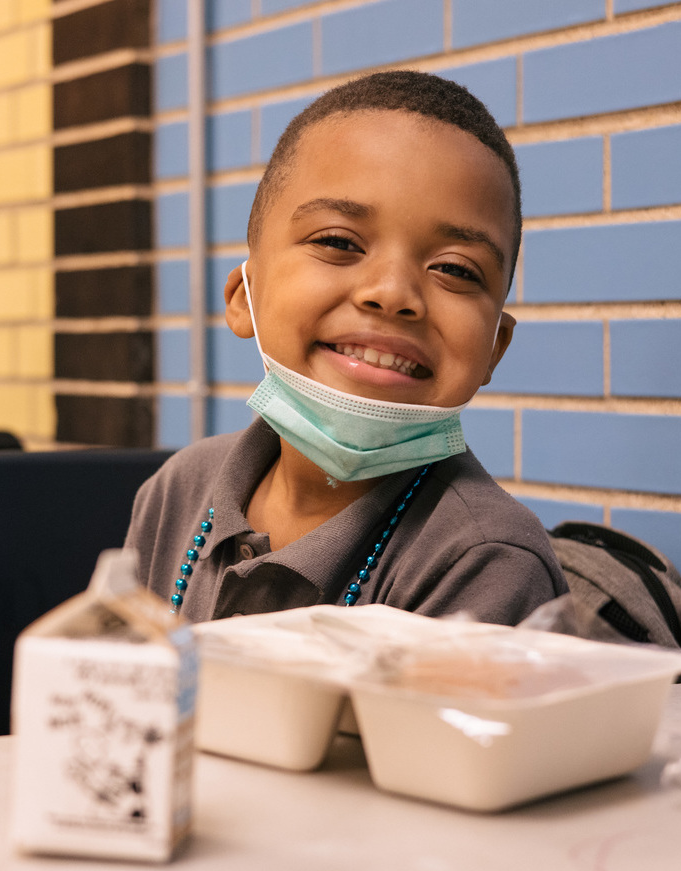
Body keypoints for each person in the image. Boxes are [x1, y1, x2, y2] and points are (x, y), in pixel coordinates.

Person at [125, 70, 568, 624]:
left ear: (494, 349)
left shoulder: (485, 562)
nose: (392, 294)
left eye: (454, 269)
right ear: (245, 296)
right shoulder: (180, 490)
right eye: (338, 242)